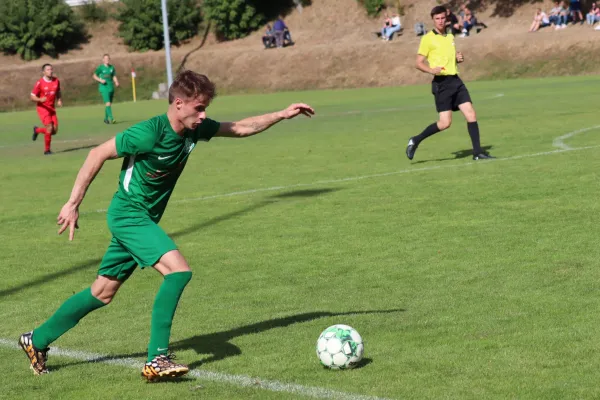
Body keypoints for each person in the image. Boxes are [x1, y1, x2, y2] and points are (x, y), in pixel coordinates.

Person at [18, 70, 315, 381]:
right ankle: (157, 358)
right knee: (178, 271)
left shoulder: (193, 129)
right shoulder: (150, 132)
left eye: (205, 108)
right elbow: (98, 153)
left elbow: (240, 127)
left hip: (143, 219)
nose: (204, 115)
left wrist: (282, 114)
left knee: (102, 292)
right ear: (178, 104)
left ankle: (36, 339)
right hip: (129, 215)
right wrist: (73, 203)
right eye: (199, 108)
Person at [406, 6, 493, 161]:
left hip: (456, 81)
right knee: (445, 123)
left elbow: (448, 59)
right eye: (437, 19)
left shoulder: (450, 36)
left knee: (471, 114)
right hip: (442, 84)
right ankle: (415, 140)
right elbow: (418, 63)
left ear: (446, 19)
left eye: (442, 18)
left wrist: (457, 59)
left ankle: (477, 153)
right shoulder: (427, 38)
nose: (440, 21)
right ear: (433, 20)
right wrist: (431, 70)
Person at [31, 64, 62, 155]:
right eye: (48, 70)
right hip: (43, 108)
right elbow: (32, 96)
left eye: (51, 69)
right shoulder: (40, 83)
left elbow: (58, 91)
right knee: (49, 127)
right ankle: (47, 150)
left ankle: (37, 130)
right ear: (43, 72)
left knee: (54, 131)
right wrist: (40, 99)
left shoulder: (56, 81)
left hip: (52, 108)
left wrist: (59, 99)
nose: (50, 71)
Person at [93, 54, 120, 124]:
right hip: (103, 87)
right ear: (103, 60)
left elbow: (113, 76)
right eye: (105, 58)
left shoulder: (112, 67)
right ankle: (112, 118)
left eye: (108, 58)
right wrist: (100, 80)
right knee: (107, 103)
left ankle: (105, 119)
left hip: (110, 87)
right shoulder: (100, 68)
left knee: (109, 104)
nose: (107, 60)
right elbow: (94, 76)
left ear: (109, 59)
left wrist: (116, 82)